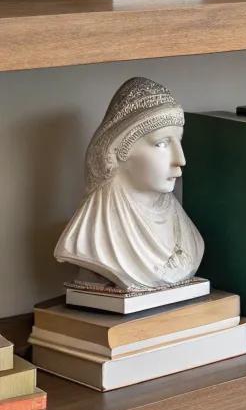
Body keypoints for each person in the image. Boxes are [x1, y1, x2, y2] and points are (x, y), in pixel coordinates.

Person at [55, 77, 204, 291]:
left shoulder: (191, 238)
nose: (180, 159)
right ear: (120, 149)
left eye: (179, 141)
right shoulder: (91, 238)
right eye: (161, 144)